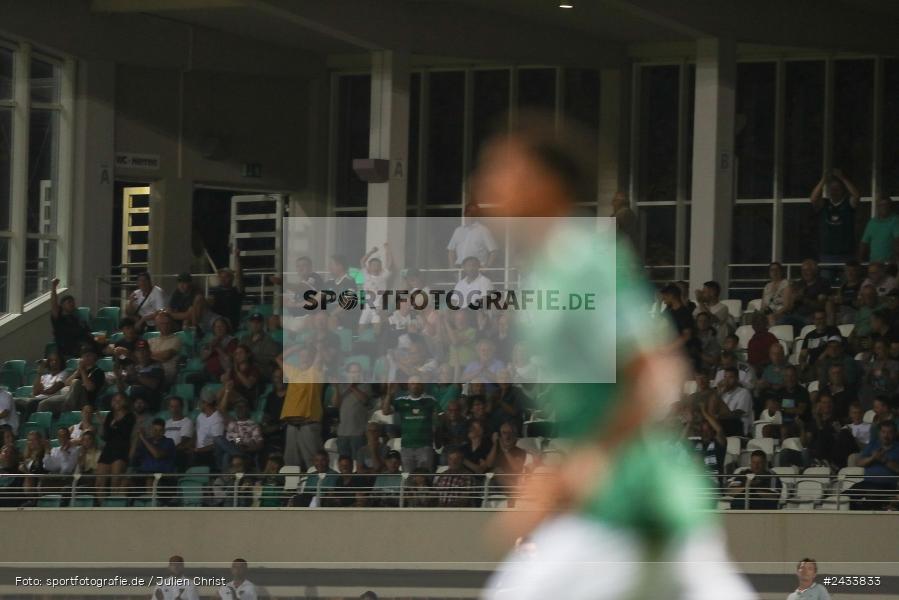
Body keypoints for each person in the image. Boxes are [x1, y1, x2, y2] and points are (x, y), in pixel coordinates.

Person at [476, 114, 752, 599]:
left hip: (639, 509)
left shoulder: (581, 261)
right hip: (625, 513)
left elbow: (659, 373)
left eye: (502, 171)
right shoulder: (544, 274)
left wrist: (579, 469)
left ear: (546, 186)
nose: (484, 186)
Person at [277, 347, 323, 471]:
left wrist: (317, 347)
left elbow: (319, 357)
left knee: (312, 459)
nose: (303, 358)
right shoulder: (294, 372)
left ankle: (314, 487)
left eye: (306, 356)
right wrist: (295, 348)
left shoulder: (314, 373)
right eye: (301, 356)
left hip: (308, 423)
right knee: (290, 460)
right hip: (292, 424)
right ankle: (292, 488)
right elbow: (278, 359)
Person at [810, 169, 860, 265]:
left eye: (837, 189)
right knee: (826, 279)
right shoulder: (825, 204)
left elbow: (856, 196)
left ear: (843, 190)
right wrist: (823, 180)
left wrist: (842, 178)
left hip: (847, 254)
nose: (834, 191)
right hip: (827, 254)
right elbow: (813, 198)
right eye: (832, 189)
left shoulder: (848, 204)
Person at [37, 345, 105, 414]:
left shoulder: (98, 372)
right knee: (43, 404)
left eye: (89, 355)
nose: (86, 358)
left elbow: (89, 388)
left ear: (94, 357)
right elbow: (66, 383)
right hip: (69, 398)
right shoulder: (79, 371)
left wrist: (82, 371)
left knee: (76, 382)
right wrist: (77, 372)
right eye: (84, 356)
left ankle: (67, 408)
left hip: (85, 401)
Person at [849, 420, 899, 510]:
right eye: (883, 432)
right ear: (879, 433)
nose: (886, 436)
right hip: (867, 484)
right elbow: (859, 463)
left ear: (895, 433)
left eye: (889, 432)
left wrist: (884, 460)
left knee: (871, 495)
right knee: (845, 497)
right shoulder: (872, 445)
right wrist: (872, 458)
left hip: (887, 486)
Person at [394, 376, 438, 472]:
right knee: (408, 478)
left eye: (418, 383)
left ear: (423, 386)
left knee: (425, 477)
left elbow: (439, 418)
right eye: (412, 383)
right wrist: (389, 394)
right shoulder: (401, 400)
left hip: (425, 445)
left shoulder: (430, 400)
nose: (415, 386)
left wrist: (435, 429)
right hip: (406, 446)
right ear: (408, 386)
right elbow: (385, 411)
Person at [96, 393, 135, 498]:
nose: (116, 402)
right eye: (114, 400)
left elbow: (126, 434)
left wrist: (115, 425)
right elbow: (105, 436)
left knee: (115, 482)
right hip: (108, 450)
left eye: (119, 400)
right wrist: (102, 424)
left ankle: (114, 507)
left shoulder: (130, 416)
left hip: (121, 450)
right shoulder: (109, 415)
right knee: (99, 483)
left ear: (125, 402)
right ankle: (100, 507)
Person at [332, 362, 372, 461]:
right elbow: (335, 404)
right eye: (352, 372)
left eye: (357, 371)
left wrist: (352, 386)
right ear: (347, 373)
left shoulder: (366, 386)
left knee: (358, 461)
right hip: (342, 433)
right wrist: (336, 388)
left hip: (358, 433)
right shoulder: (341, 387)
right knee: (344, 462)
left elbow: (364, 400)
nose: (355, 374)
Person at [215, 394, 263, 473]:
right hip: (234, 448)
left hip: (247, 451)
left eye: (242, 406)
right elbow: (233, 438)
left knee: (224, 450)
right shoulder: (232, 424)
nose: (239, 409)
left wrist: (246, 447)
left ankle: (225, 477)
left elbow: (260, 444)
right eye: (237, 407)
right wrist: (238, 442)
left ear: (247, 409)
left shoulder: (254, 425)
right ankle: (238, 456)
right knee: (219, 440)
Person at [49, 277, 93, 359]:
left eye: (73, 302)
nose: (72, 304)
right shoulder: (59, 318)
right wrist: (53, 287)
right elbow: (54, 304)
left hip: (82, 345)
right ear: (62, 305)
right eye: (69, 302)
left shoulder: (77, 318)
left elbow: (87, 332)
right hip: (67, 348)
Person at [448, 201, 499, 268]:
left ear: (477, 214)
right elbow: (451, 250)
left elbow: (494, 251)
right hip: (459, 269)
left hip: (476, 270)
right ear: (464, 213)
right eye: (468, 211)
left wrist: (487, 267)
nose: (470, 214)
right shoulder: (458, 230)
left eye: (473, 212)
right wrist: (452, 267)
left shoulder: (483, 230)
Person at [19, 353, 68, 421]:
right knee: (17, 402)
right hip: (38, 398)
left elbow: (52, 390)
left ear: (61, 362)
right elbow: (35, 392)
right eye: (51, 360)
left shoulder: (63, 373)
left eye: (56, 360)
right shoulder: (44, 376)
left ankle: (26, 423)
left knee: (31, 403)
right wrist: (39, 373)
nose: (54, 362)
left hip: (50, 400)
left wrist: (41, 391)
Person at [207, 247, 244, 331]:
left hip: (230, 324)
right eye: (221, 277)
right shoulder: (214, 291)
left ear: (231, 278)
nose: (223, 279)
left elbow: (239, 276)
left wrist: (237, 258)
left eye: (226, 277)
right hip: (215, 323)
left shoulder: (236, 290)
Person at [240, 313, 280, 380]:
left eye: (258, 322)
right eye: (253, 322)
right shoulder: (244, 339)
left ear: (262, 324)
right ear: (249, 323)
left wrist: (252, 356)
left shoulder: (268, 339)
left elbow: (272, 359)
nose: (255, 324)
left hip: (261, 371)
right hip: (245, 369)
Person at [859, 196, 899, 263]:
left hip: (890, 263)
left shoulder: (896, 220)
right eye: (881, 205)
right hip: (874, 264)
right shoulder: (872, 222)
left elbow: (897, 240)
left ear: (890, 206)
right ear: (877, 207)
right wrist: (860, 259)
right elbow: (864, 242)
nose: (884, 207)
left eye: (886, 204)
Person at [148, 311, 182, 385]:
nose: (165, 326)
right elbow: (142, 356)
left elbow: (167, 355)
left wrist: (149, 356)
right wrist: (158, 358)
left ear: (171, 324)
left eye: (167, 323)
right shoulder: (150, 341)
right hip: (149, 372)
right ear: (157, 325)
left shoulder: (177, 340)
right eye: (162, 324)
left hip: (166, 374)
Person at [164, 396, 194, 471]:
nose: (174, 409)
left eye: (177, 406)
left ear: (182, 407)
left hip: (177, 453)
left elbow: (183, 442)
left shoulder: (187, 422)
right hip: (165, 452)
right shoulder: (167, 423)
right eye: (172, 407)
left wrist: (168, 452)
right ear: (169, 408)